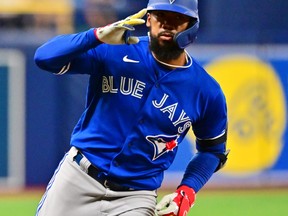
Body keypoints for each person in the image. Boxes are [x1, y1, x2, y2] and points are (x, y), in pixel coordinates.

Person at [34, 0, 229, 215]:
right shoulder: (115, 50)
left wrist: (188, 190)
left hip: (135, 197)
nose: (166, 24)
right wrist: (95, 36)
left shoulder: (206, 90)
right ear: (148, 20)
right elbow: (44, 58)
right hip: (78, 178)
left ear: (192, 26)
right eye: (160, 16)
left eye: (177, 19)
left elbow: (212, 151)